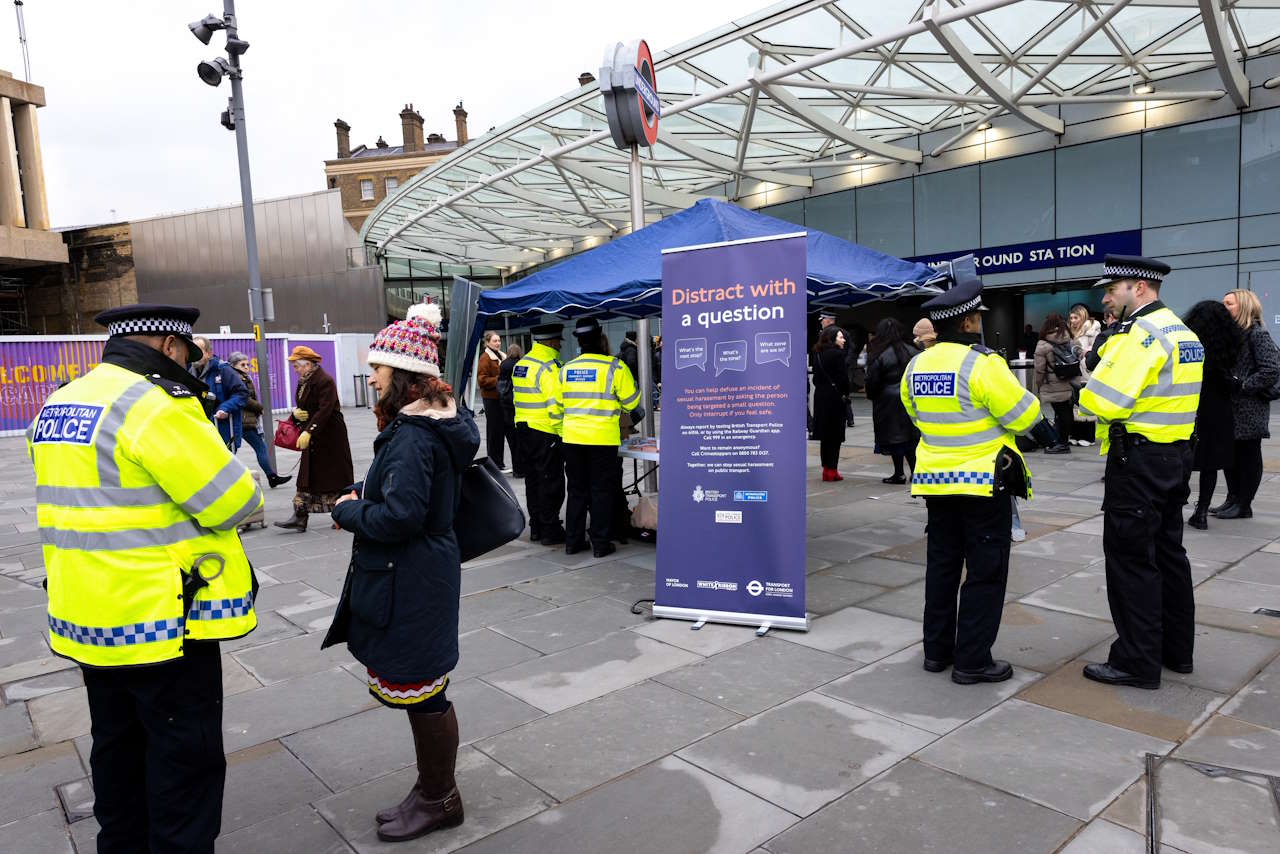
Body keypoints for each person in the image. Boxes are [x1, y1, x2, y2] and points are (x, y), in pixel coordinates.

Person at [28, 304, 262, 853]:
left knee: (115, 749)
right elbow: (231, 500)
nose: (189, 362)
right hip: (161, 620)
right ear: (166, 347)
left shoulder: (61, 402)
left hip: (88, 615)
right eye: (186, 352)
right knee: (184, 759)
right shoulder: (154, 406)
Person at [323, 303, 478, 843]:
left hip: (412, 574)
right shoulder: (430, 420)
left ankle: (440, 799)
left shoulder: (412, 433)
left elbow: (402, 516)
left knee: (425, 691)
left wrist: (347, 509)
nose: (370, 378)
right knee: (423, 688)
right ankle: (431, 790)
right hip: (422, 571)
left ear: (402, 376)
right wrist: (367, 492)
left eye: (377, 370)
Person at [900, 255, 1055, 685]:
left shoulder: (916, 367)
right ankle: (971, 660)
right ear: (968, 322)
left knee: (942, 567)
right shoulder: (982, 365)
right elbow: (1025, 416)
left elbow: (913, 414)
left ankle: (936, 653)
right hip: (982, 483)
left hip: (934, 483)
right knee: (985, 572)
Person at [1078, 254, 1202, 690]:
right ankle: (1176, 652)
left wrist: (1089, 389)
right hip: (1175, 456)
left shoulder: (1142, 334)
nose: (1110, 296)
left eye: (1115, 288)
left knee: (1131, 561)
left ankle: (1136, 661)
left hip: (1139, 461)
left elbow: (1102, 400)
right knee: (1170, 555)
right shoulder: (1182, 331)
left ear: (1140, 288)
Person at [557, 318, 643, 558]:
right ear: (600, 338)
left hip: (572, 439)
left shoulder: (566, 369)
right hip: (602, 440)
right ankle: (601, 544)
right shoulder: (615, 367)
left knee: (576, 490)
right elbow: (632, 403)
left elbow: (556, 407)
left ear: (579, 342)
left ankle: (573, 542)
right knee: (600, 491)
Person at [274, 345, 354, 532]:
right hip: (314, 435)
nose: (294, 370)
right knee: (306, 477)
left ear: (307, 365)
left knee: (335, 479)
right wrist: (296, 415)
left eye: (296, 366)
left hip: (330, 437)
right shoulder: (305, 380)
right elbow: (308, 406)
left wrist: (309, 430)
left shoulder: (324, 380)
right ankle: (300, 516)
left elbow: (325, 409)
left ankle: (342, 515)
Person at [1216, 289, 1280, 520]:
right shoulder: (1232, 334)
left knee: (1248, 455)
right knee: (1230, 454)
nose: (1224, 307)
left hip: (1250, 406)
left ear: (1243, 305)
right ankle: (1232, 499)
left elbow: (1271, 370)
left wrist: (1243, 386)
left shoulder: (1257, 333)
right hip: (1231, 406)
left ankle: (1244, 504)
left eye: (1229, 303)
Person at [1182, 301, 1243, 530]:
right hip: (1218, 410)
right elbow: (1229, 381)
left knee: (1184, 459)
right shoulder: (1228, 344)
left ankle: (1177, 503)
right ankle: (1201, 512)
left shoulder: (1190, 345)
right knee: (1210, 465)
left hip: (1192, 407)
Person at [513, 324, 567, 545]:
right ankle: (550, 528)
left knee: (533, 480)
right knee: (551, 481)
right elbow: (555, 404)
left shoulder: (522, 364)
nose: (559, 346)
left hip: (523, 429)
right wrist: (562, 434)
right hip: (546, 431)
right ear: (551, 342)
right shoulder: (549, 367)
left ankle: (536, 525)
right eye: (558, 342)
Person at [865, 317, 919, 484]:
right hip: (910, 397)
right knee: (911, 437)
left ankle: (899, 473)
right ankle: (916, 471)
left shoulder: (878, 353)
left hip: (887, 400)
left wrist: (873, 395)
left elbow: (872, 380)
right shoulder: (913, 351)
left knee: (895, 438)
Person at [228, 351, 291, 489]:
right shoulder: (237, 377)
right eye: (242, 364)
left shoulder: (239, 376)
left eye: (247, 364)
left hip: (243, 419)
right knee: (260, 448)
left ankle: (271, 477)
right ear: (233, 365)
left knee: (234, 449)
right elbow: (243, 398)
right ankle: (272, 477)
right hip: (245, 420)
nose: (246, 367)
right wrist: (259, 407)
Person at [191, 335, 248, 451]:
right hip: (199, 431)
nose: (194, 354)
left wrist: (224, 408)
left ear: (208, 353)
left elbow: (241, 393)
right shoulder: (187, 370)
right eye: (192, 350)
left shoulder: (222, 369)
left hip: (222, 429)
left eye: (198, 350)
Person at [1033, 313, 1078, 455]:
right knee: (1066, 412)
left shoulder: (1043, 344)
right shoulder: (1070, 338)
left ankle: (1062, 444)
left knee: (1060, 412)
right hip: (1070, 381)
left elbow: (1039, 369)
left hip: (1053, 385)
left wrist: (1039, 385)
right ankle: (1063, 440)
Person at [811, 326, 850, 482]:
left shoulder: (817, 354)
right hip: (835, 399)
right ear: (832, 339)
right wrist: (845, 393)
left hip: (821, 398)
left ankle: (826, 469)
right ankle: (833, 470)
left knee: (825, 436)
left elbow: (815, 378)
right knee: (835, 436)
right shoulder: (837, 354)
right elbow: (843, 379)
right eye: (840, 337)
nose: (844, 340)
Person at [475, 331, 511, 473]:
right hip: (491, 399)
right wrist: (499, 380)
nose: (498, 343)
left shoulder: (501, 355)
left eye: (499, 340)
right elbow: (481, 380)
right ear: (487, 342)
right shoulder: (485, 358)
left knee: (500, 431)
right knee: (494, 431)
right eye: (495, 341)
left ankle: (499, 463)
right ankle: (494, 464)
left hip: (501, 398)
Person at [1068, 304, 1100, 446]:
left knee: (1087, 403)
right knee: (1075, 403)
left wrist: (1086, 355)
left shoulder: (1093, 330)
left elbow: (1097, 351)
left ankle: (1088, 437)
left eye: (1076, 317)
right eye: (1071, 318)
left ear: (1083, 316)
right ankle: (1076, 434)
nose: (1073, 320)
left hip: (1087, 372)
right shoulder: (1071, 332)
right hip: (1075, 373)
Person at [820, 312, 856, 427]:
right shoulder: (845, 332)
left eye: (822, 320)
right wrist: (846, 362)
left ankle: (839, 417)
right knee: (843, 391)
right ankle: (849, 418)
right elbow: (852, 348)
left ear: (828, 320)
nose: (821, 322)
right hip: (843, 366)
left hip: (831, 368)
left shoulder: (825, 333)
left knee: (835, 391)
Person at [497, 343, 525, 477]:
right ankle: (522, 469)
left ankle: (516, 469)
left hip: (504, 406)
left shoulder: (503, 364)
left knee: (512, 441)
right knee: (521, 441)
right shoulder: (520, 365)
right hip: (517, 406)